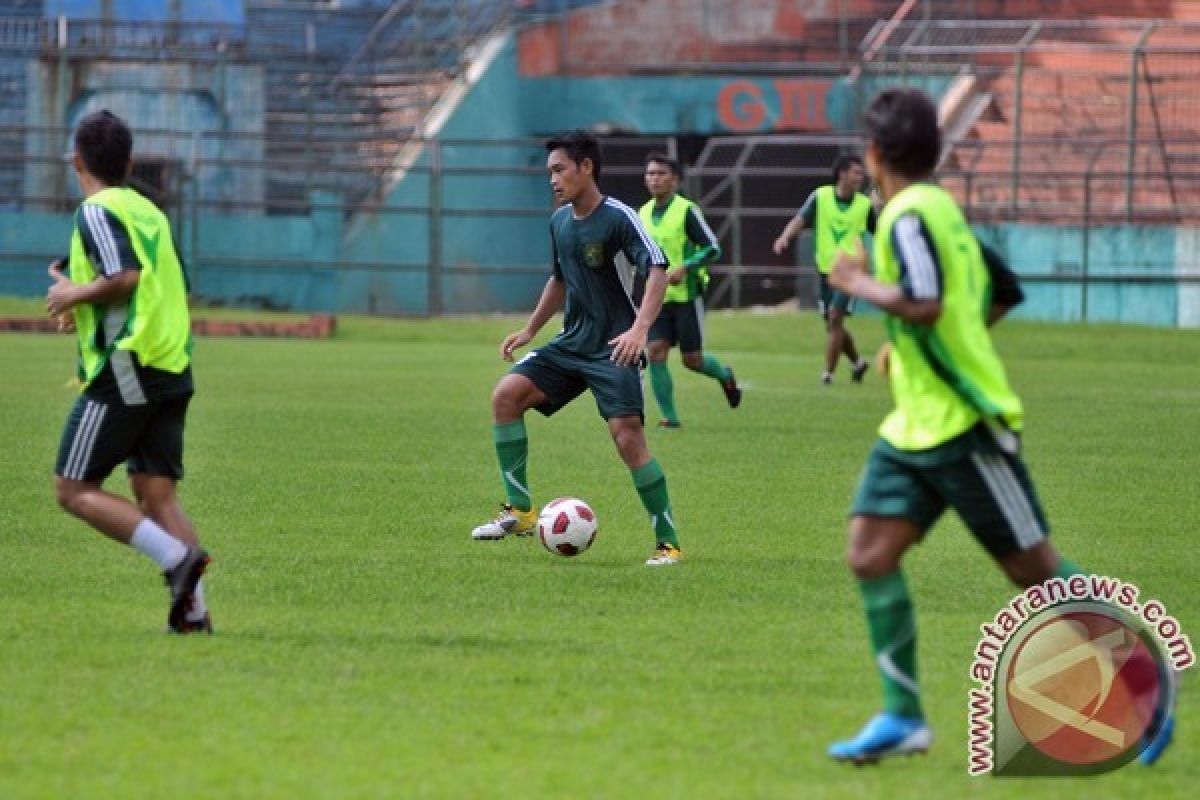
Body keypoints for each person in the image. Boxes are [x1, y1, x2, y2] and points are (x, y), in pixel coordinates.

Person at [822, 88, 1092, 764]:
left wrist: (855, 283)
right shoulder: (937, 210)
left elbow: (926, 302)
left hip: (964, 423)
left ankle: (1148, 671)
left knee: (1036, 570)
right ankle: (903, 717)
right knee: (869, 554)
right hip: (914, 425)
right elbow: (993, 293)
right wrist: (912, 350)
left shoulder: (910, 216)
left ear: (876, 154)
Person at [470, 130, 684, 566]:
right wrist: (531, 330)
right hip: (572, 342)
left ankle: (668, 543)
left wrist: (640, 331)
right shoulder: (559, 221)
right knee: (506, 396)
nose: (552, 179)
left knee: (628, 440)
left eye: (559, 169)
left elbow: (658, 269)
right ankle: (522, 512)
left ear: (586, 168)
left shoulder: (620, 217)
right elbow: (560, 279)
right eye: (549, 171)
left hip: (615, 346)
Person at [46, 110, 212, 634]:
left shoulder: (95, 209)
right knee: (157, 495)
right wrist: (85, 307)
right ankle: (194, 615)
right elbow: (168, 286)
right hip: (171, 364)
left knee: (72, 489)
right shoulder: (149, 210)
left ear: (77, 161)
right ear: (130, 161)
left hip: (129, 364)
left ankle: (175, 559)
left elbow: (125, 275)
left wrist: (74, 292)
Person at [639, 153, 741, 428]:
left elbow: (713, 248)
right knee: (656, 352)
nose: (654, 179)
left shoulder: (687, 211)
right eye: (650, 174)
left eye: (661, 173)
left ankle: (725, 375)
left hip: (686, 295)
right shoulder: (643, 213)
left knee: (691, 360)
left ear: (676, 180)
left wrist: (686, 266)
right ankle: (670, 418)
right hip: (657, 299)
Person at [773, 155, 875, 385]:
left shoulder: (864, 205)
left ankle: (827, 374)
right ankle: (858, 363)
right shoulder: (820, 197)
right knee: (832, 324)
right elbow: (801, 218)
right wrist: (785, 236)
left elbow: (882, 230)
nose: (861, 177)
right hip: (825, 271)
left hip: (850, 274)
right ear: (842, 174)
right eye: (856, 172)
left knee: (835, 317)